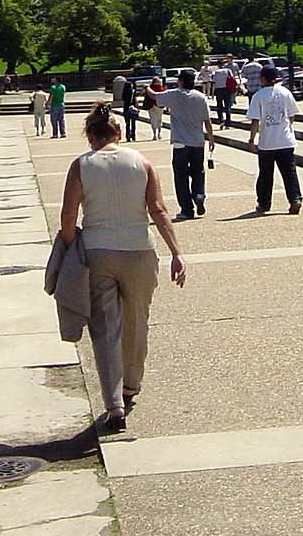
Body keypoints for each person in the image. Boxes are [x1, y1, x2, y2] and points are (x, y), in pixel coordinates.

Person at [60, 102, 186, 430]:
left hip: (99, 250)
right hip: (139, 251)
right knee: (136, 321)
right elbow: (158, 209)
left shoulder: (81, 166)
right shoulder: (141, 162)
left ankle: (114, 404)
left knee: (104, 328)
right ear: (118, 132)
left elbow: (68, 216)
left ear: (90, 136)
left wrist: (74, 249)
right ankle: (131, 382)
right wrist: (176, 252)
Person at [150, 69, 215, 220]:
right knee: (198, 171)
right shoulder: (200, 97)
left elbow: (154, 96)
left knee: (181, 176)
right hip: (198, 141)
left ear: (181, 81)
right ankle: (199, 194)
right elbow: (207, 120)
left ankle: (186, 209)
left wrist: (148, 86)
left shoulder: (175, 94)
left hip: (180, 142)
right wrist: (211, 138)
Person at [247, 64, 303, 214]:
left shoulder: (259, 96)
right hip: (286, 140)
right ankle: (295, 199)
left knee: (265, 174)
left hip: (267, 142)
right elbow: (292, 114)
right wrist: (287, 127)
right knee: (289, 173)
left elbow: (255, 121)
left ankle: (264, 203)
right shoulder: (285, 92)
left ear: (263, 79)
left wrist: (252, 140)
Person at [213, 62, 238, 128]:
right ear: (223, 65)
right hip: (227, 89)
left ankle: (221, 121)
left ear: (218, 65)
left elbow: (214, 82)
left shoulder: (216, 72)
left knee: (219, 106)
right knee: (227, 106)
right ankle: (228, 123)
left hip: (219, 90)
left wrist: (212, 93)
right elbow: (232, 78)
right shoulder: (228, 70)